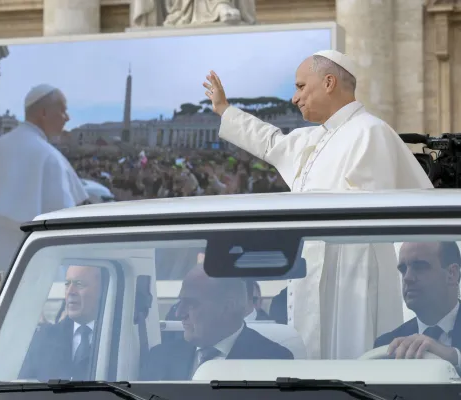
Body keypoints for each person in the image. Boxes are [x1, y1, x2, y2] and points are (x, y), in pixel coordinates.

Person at [202, 50, 434, 360]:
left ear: (328, 82)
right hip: (313, 278)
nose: (295, 98)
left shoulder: (370, 132)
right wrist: (225, 110)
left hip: (353, 285)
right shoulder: (313, 139)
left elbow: (389, 226)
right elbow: (270, 142)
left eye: (300, 86)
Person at [0, 84, 88, 271]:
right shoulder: (48, 156)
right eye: (63, 110)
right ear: (43, 113)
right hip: (33, 261)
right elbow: (63, 224)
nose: (67, 118)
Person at [140, 266, 292, 380]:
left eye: (191, 303)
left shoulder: (274, 360)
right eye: (180, 302)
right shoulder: (159, 357)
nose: (179, 313)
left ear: (227, 307)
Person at [375, 242, 461, 369]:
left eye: (420, 266)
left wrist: (455, 357)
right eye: (403, 269)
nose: (407, 278)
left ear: (452, 274)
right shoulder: (386, 346)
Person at [19, 265, 103, 381]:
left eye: (79, 284)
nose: (70, 292)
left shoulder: (121, 340)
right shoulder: (43, 339)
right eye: (67, 284)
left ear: (101, 290)